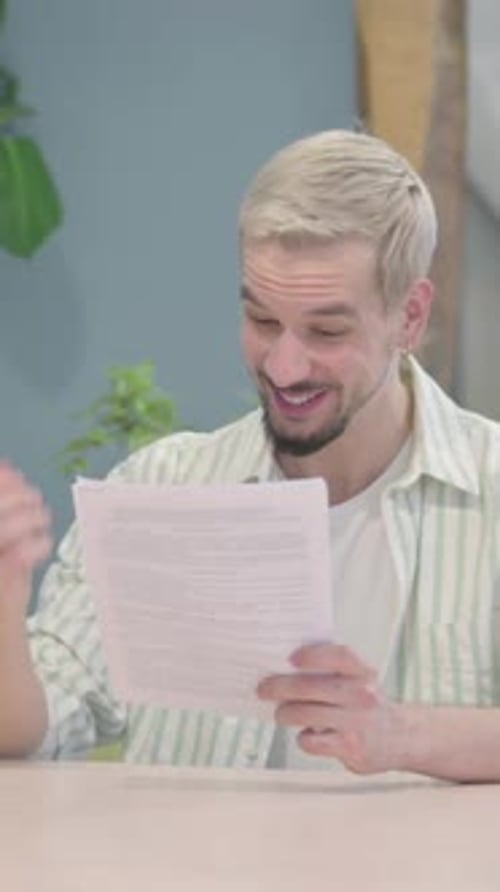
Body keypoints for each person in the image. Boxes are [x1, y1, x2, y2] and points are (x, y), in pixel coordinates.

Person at [1, 130, 499, 780]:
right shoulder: (162, 490)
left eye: (326, 331)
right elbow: (29, 734)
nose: (285, 367)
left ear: (408, 317)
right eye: (263, 321)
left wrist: (399, 734)